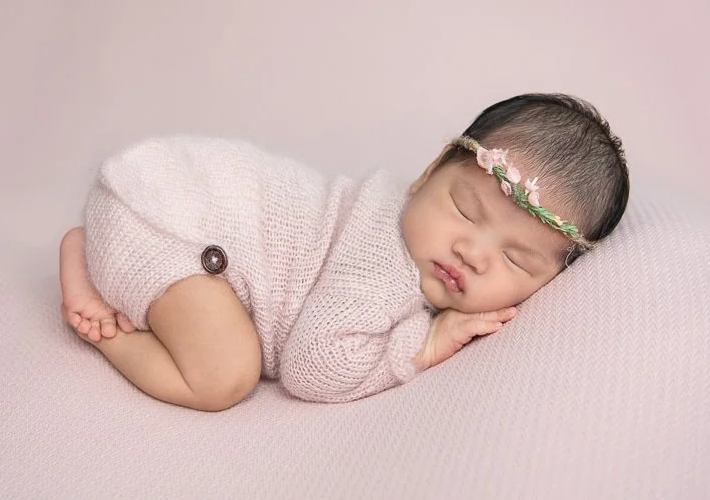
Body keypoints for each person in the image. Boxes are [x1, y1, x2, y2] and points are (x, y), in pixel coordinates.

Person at [58, 93, 630, 411]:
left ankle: (94, 248)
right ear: (429, 172)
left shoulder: (407, 229)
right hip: (163, 219)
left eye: (515, 260)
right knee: (223, 376)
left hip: (161, 195)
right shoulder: (386, 261)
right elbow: (312, 369)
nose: (472, 253)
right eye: (464, 210)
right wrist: (424, 343)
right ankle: (105, 323)